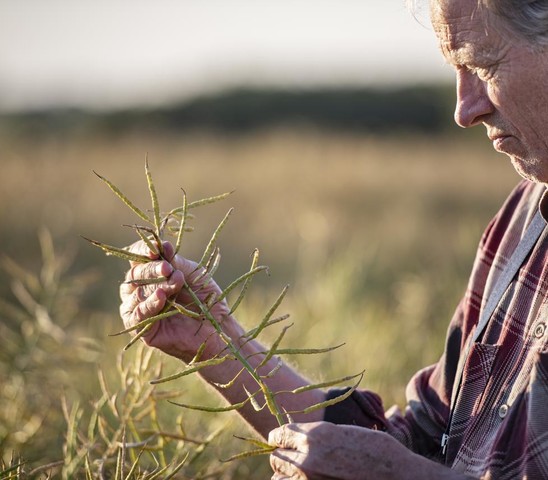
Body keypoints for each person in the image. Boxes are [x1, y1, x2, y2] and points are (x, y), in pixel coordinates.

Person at [119, 0, 548, 477]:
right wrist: (218, 346)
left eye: (483, 65)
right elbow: (427, 442)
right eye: (456, 70)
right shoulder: (522, 220)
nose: (464, 110)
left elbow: (406, 468)